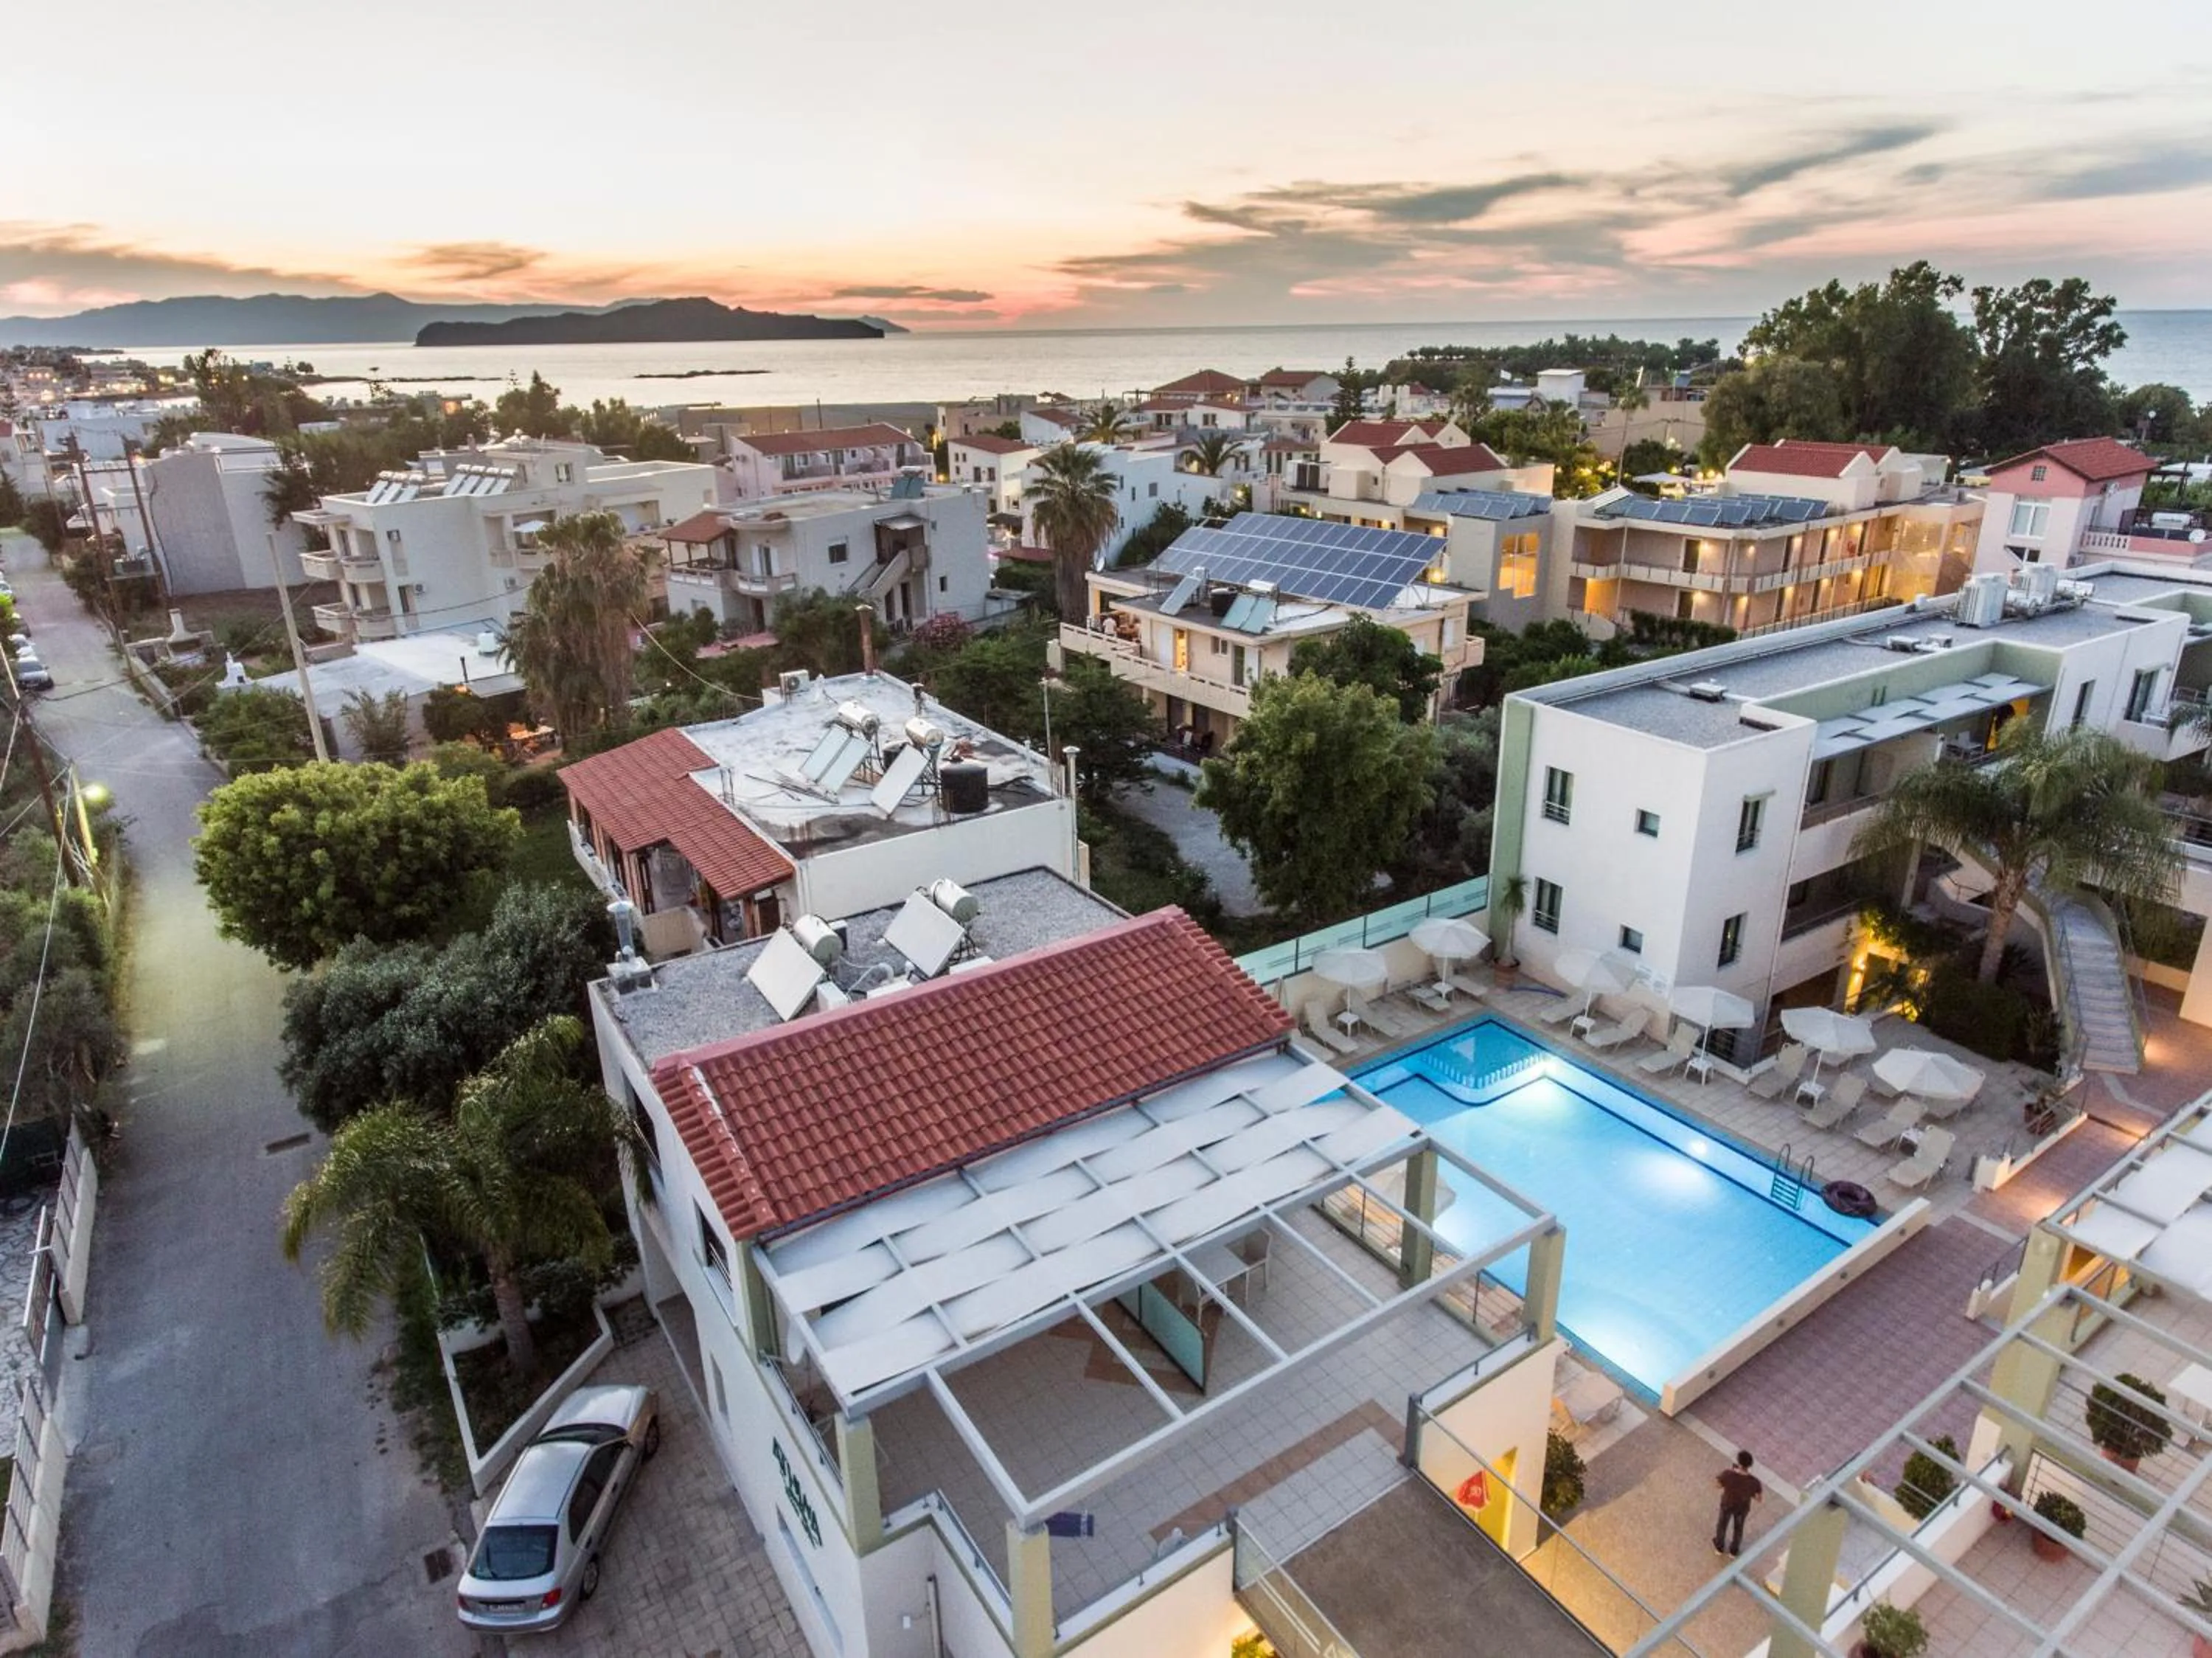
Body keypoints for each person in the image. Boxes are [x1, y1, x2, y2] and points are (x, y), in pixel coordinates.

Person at [1713, 1449, 1764, 1557]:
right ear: (1749, 1465)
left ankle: (1719, 1547)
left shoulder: (1728, 1474)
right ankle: (1734, 1551)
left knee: (1722, 1525)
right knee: (1738, 1528)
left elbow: (1717, 1485)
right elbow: (1759, 1499)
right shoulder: (1754, 1482)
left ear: (1739, 1462)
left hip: (1727, 1503)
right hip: (1742, 1507)